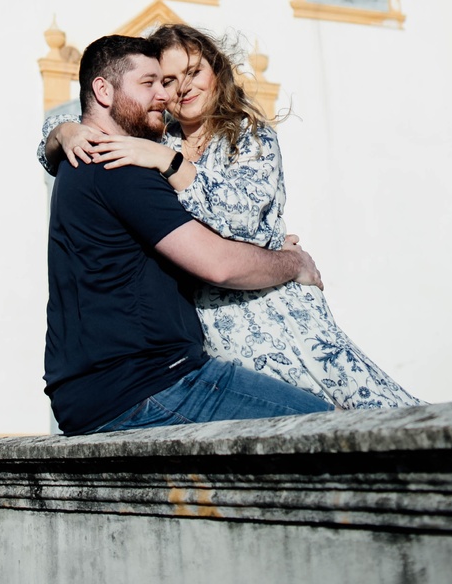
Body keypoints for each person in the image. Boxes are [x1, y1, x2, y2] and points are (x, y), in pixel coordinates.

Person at [41, 24, 421, 412]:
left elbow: (242, 220)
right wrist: (65, 131)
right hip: (212, 326)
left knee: (372, 408)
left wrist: (170, 164)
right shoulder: (156, 137)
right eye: (167, 80)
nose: (180, 88)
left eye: (194, 72)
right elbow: (73, 129)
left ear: (217, 72)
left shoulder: (247, 137)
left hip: (272, 307)